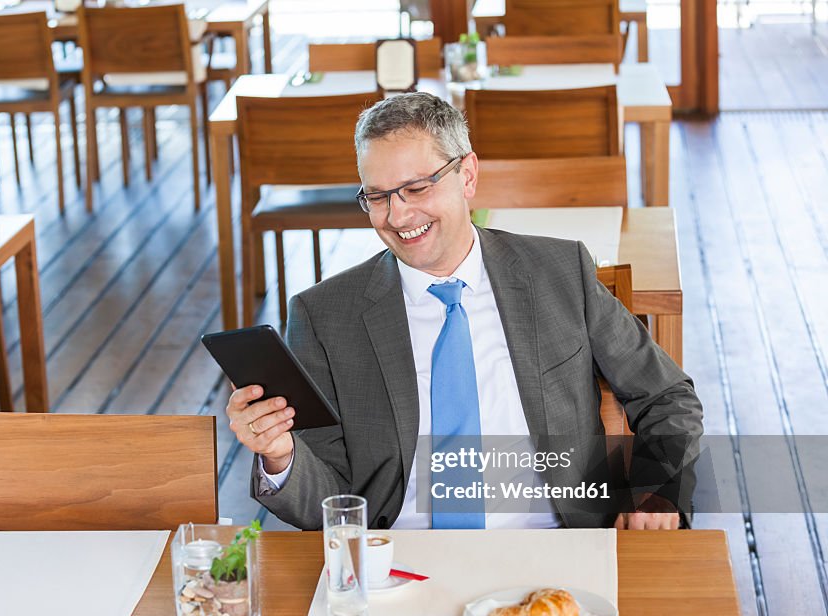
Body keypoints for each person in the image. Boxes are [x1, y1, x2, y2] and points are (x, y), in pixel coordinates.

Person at [226, 92, 702, 531]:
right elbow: (328, 505)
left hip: (555, 549)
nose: (397, 216)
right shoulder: (324, 316)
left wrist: (657, 495)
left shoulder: (560, 272)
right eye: (377, 196)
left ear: (467, 175)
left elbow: (667, 396)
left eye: (416, 187)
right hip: (399, 562)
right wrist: (280, 455)